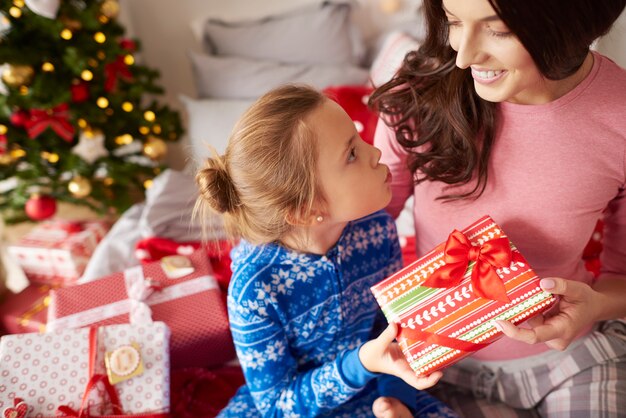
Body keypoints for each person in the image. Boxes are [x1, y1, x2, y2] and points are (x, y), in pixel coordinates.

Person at [369, 0, 626, 416]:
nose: (465, 55)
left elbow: (622, 278)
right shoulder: (417, 95)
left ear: (571, 24)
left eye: (498, 30)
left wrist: (594, 306)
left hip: (570, 362)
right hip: (433, 372)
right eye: (453, 21)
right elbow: (358, 235)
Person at [194, 85, 459, 418]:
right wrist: (359, 364)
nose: (375, 153)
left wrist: (397, 400)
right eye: (351, 154)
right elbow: (276, 405)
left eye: (359, 139)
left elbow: (396, 327)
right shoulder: (255, 289)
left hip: (374, 390)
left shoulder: (377, 229)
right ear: (306, 211)